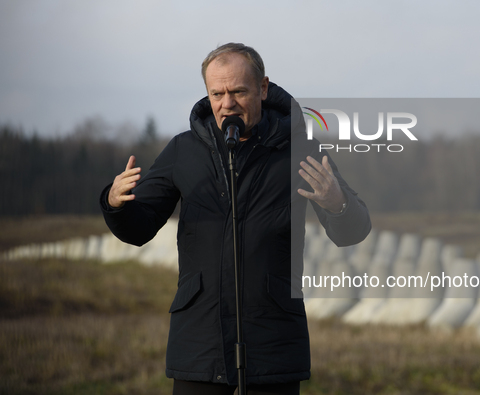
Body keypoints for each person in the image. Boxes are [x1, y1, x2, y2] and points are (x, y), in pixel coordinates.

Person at [100, 43, 371, 395]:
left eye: (239, 91)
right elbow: (138, 228)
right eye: (217, 93)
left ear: (262, 88)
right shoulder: (183, 150)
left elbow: (355, 230)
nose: (227, 103)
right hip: (200, 349)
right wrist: (114, 204)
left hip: (272, 350)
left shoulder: (301, 150)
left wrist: (338, 204)